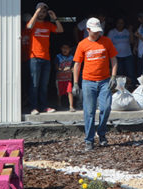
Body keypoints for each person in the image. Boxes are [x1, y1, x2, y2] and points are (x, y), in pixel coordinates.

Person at [73, 17, 118, 151]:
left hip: (105, 81)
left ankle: (102, 133)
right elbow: (77, 65)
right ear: (87, 30)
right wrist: (75, 83)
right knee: (89, 111)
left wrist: (113, 76)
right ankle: (89, 140)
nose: (97, 33)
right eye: (94, 31)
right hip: (88, 81)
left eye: (98, 31)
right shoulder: (82, 44)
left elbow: (114, 59)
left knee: (106, 107)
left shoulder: (106, 41)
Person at [26, 2, 63, 114]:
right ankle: (33, 107)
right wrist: (36, 13)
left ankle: (44, 106)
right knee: (34, 84)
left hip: (46, 58)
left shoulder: (48, 24)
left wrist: (55, 18)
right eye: (40, 11)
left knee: (44, 85)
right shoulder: (32, 23)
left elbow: (60, 30)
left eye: (44, 12)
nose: (42, 14)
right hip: (34, 58)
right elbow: (29, 26)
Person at [107, 18, 136, 90]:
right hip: (116, 57)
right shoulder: (112, 32)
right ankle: (119, 89)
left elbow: (132, 41)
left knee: (130, 73)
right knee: (119, 75)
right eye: (118, 23)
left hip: (128, 56)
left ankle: (131, 89)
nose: (120, 25)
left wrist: (130, 31)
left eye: (122, 23)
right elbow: (108, 45)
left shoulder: (127, 31)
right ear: (116, 24)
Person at [55, 43, 75, 111]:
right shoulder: (58, 57)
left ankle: (71, 106)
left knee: (70, 91)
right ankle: (59, 105)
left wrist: (70, 69)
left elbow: (74, 67)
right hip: (59, 79)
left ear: (70, 49)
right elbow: (56, 67)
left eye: (67, 48)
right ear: (61, 49)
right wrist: (62, 70)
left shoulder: (72, 57)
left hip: (68, 79)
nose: (65, 50)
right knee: (59, 93)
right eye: (63, 48)